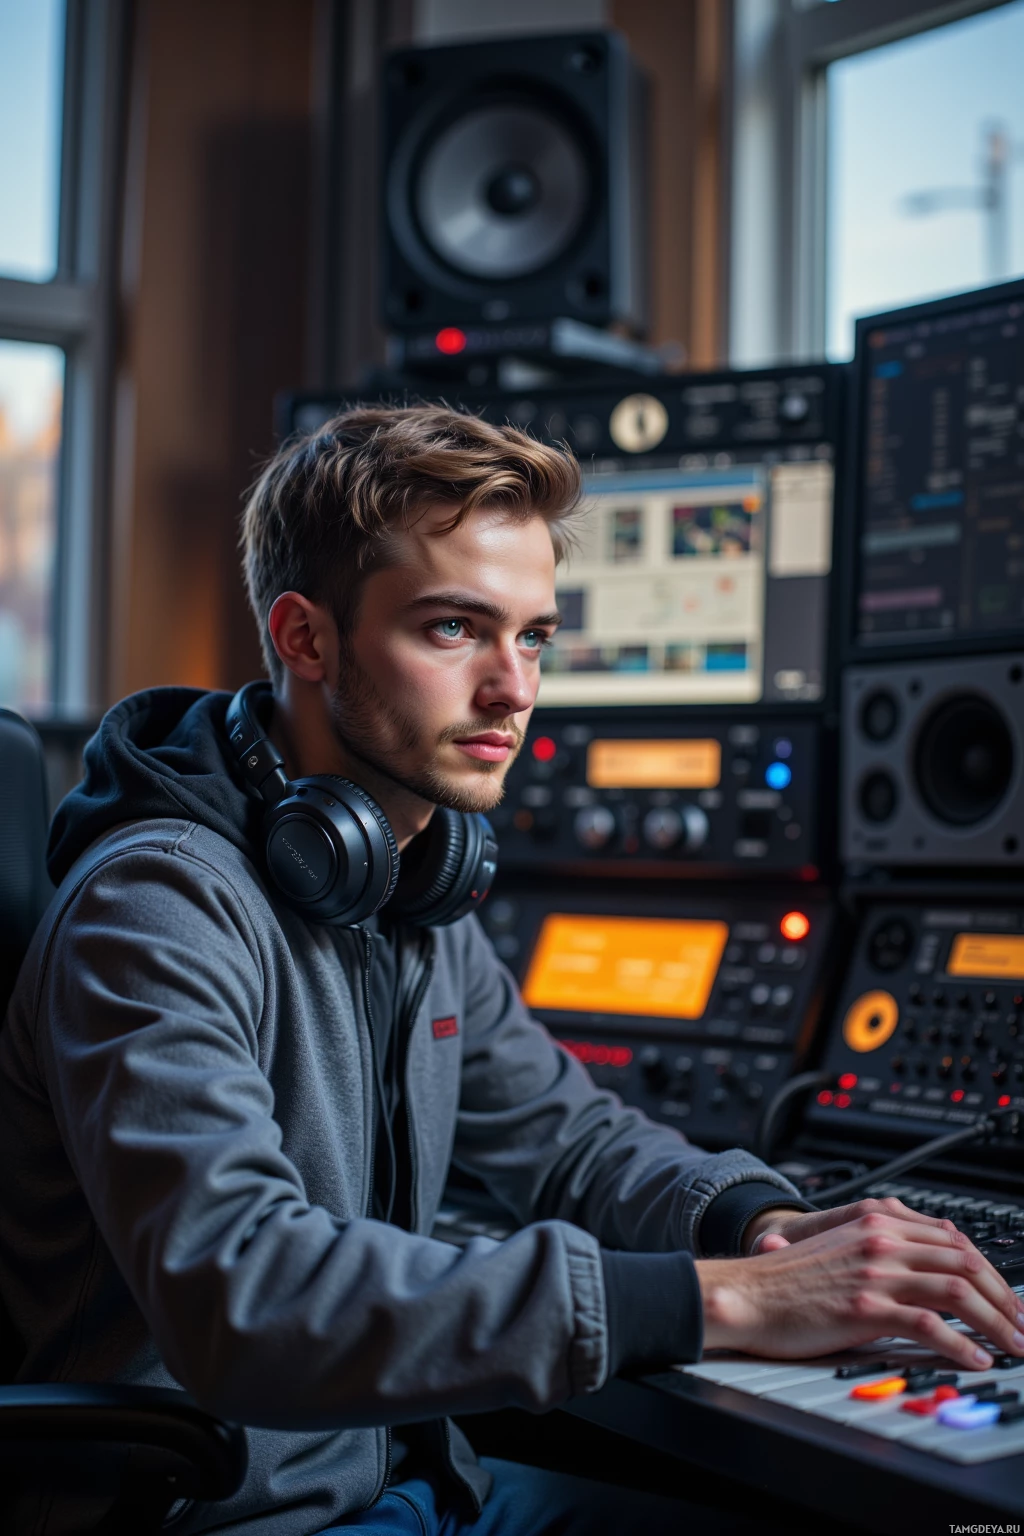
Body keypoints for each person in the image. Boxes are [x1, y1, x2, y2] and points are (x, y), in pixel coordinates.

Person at [0, 405, 1021, 1536]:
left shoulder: (409, 876)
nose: (512, 687)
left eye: (532, 635)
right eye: (453, 629)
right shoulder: (157, 907)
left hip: (413, 1490)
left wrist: (756, 1228)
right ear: (305, 639)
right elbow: (244, 1297)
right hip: (227, 1521)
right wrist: (712, 1301)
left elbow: (567, 1138)